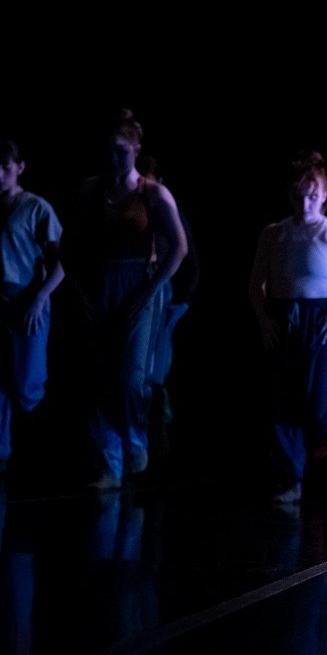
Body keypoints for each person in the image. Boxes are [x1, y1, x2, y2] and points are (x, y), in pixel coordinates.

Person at [61, 108, 189, 490]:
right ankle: (107, 461)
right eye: (109, 151)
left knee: (131, 377)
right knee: (99, 375)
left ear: (135, 150)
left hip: (138, 281)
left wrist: (149, 292)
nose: (115, 159)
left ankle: (135, 440)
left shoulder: (152, 192)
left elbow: (179, 248)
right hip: (100, 278)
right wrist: (79, 292)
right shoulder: (91, 190)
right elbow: (68, 246)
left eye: (122, 151)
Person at [249, 150, 327, 505]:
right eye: (300, 195)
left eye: (313, 195)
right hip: (285, 317)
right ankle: (290, 478)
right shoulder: (274, 234)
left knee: (319, 392)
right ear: (291, 194)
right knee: (284, 399)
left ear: (325, 195)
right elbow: (256, 286)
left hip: (322, 319)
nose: (306, 201)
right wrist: (265, 320)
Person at [0, 139, 65, 476]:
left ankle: (39, 458)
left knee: (27, 384)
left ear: (20, 167)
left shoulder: (36, 208)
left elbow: (62, 261)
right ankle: (3, 455)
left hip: (25, 300)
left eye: (5, 167)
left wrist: (39, 298)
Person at [135, 153, 200, 463]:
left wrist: (181, 303)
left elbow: (191, 261)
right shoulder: (133, 208)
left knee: (155, 371)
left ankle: (156, 438)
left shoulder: (167, 210)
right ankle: (139, 440)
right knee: (136, 370)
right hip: (139, 289)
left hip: (164, 296)